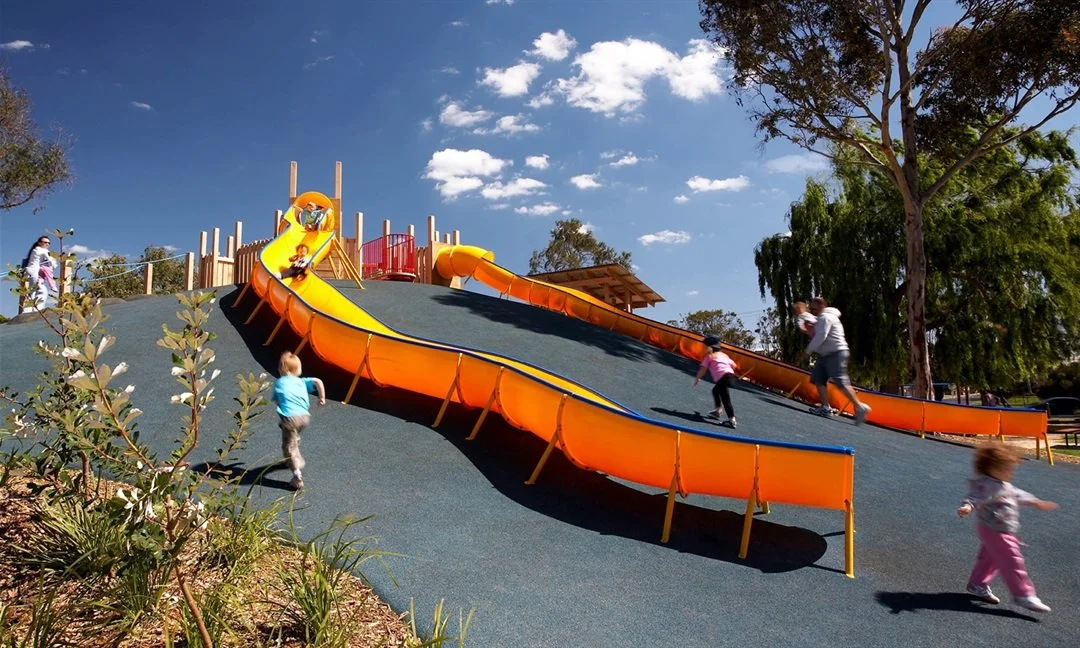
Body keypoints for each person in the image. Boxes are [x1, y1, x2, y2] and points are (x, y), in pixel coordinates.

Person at [958, 443, 1057, 613]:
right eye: (1007, 468)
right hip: (994, 530)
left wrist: (1034, 502)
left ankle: (977, 583)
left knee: (991, 557)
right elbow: (975, 496)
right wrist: (968, 506)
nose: (1011, 473)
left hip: (996, 528)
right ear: (992, 467)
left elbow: (1017, 494)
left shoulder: (1003, 484)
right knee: (1012, 559)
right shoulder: (986, 484)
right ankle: (1024, 594)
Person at [805, 296, 871, 424]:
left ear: (820, 306)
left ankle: (860, 406)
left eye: (813, 307)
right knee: (818, 377)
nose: (811, 310)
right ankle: (826, 407)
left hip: (836, 353)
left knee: (840, 380)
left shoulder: (826, 317)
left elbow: (821, 336)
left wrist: (808, 350)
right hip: (825, 355)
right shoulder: (821, 319)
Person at [271, 351, 326, 490]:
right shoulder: (301, 381)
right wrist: (322, 397)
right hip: (304, 417)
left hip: (290, 419)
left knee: (287, 448)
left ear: (281, 368)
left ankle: (297, 475)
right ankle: (295, 441)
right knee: (291, 430)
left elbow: (278, 402)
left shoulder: (279, 383)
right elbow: (318, 381)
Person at [693, 334, 739, 429]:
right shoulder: (724, 355)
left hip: (724, 378)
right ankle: (718, 411)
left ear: (709, 347)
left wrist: (698, 378)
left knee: (725, 399)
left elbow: (703, 369)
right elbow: (734, 365)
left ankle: (732, 420)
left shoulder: (709, 356)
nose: (704, 348)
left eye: (705, 347)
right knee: (716, 391)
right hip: (730, 376)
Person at [21, 236, 56, 313]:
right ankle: (32, 311)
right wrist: (53, 264)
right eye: (45, 242)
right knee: (38, 291)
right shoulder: (42, 250)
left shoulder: (35, 250)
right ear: (40, 243)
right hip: (33, 272)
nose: (47, 244)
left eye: (48, 243)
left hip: (30, 271)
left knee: (34, 291)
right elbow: (51, 262)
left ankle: (31, 310)